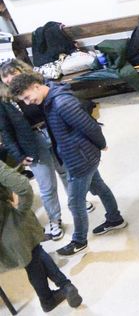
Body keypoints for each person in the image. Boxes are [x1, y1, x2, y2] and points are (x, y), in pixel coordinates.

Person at [8, 74, 126, 257]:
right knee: (99, 187)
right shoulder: (48, 100)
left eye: (26, 97)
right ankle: (115, 218)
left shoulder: (61, 103)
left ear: (35, 86)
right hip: (78, 155)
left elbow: (90, 126)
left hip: (80, 159)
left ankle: (79, 241)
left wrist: (102, 144)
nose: (28, 102)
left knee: (74, 202)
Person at [0, 162, 82, 311]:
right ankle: (62, 287)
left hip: (5, 238)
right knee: (34, 252)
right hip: (10, 225)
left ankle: (52, 296)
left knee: (32, 257)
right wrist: (23, 210)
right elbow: (23, 185)